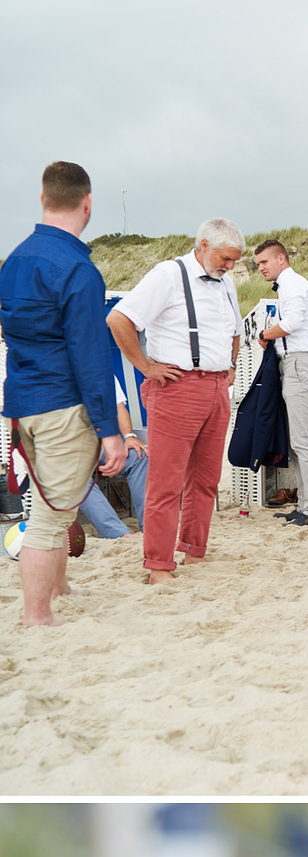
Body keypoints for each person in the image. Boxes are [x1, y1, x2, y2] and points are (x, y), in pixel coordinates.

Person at [1, 160, 128, 627]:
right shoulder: (78, 269)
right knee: (52, 518)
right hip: (62, 405)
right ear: (88, 204)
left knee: (53, 501)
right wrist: (109, 431)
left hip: (23, 403)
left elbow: (14, 338)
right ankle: (38, 616)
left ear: (42, 199)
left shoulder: (13, 261)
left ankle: (58, 587)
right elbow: (90, 358)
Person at [107, 215, 244, 586]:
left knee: (207, 479)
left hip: (217, 388)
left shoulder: (226, 282)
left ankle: (194, 550)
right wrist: (145, 365)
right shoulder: (167, 274)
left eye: (234, 261)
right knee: (166, 481)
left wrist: (230, 366)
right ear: (203, 246)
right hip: (177, 387)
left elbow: (235, 329)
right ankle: (158, 565)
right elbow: (119, 319)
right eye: (226, 259)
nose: (231, 267)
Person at [253, 237, 308, 526]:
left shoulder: (293, 284)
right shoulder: (289, 285)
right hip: (295, 362)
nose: (260, 268)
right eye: (258, 263)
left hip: (301, 361)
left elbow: (293, 323)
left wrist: (264, 334)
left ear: (281, 259)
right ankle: (306, 506)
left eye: (264, 262)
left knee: (302, 442)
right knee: (297, 442)